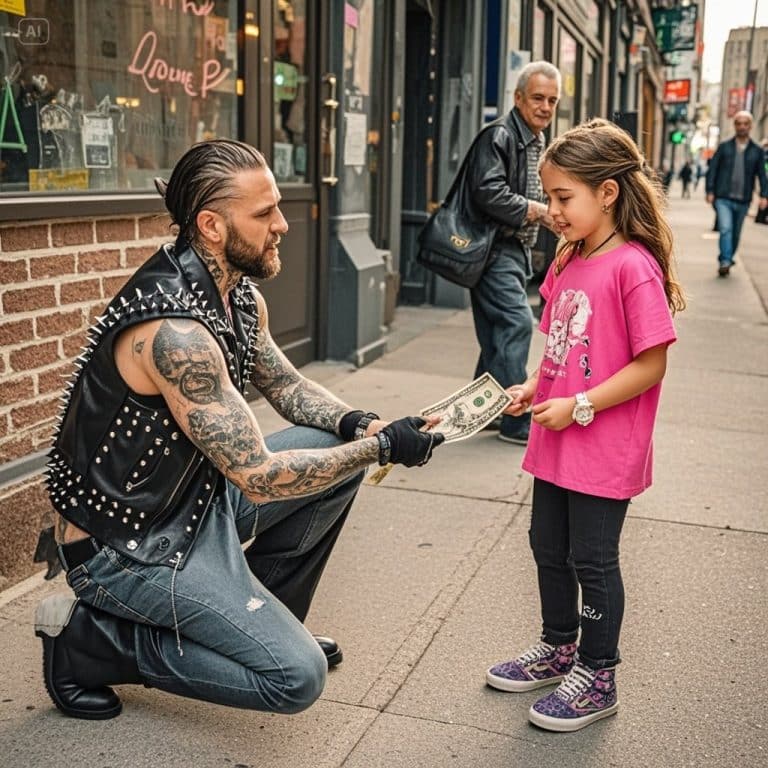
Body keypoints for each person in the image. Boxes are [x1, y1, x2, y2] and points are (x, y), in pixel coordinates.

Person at [34, 139, 445, 720]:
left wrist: (363, 424)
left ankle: (260, 623)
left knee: (336, 451)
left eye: (276, 206)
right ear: (211, 226)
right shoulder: (177, 333)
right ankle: (95, 644)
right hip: (126, 550)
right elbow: (259, 476)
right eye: (263, 214)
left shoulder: (238, 295)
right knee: (296, 679)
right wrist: (380, 448)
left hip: (192, 506)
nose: (282, 224)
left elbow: (286, 385)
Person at [484, 119, 685, 732]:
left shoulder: (634, 266)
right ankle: (559, 645)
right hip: (557, 436)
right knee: (548, 547)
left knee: (592, 560)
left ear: (608, 193)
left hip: (603, 444)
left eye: (563, 197)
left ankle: (599, 675)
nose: (553, 211)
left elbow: (652, 364)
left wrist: (584, 403)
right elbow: (560, 346)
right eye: (548, 196)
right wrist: (530, 388)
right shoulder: (569, 257)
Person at [462, 60, 560, 445]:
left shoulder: (534, 138)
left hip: (513, 247)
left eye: (552, 100)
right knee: (516, 323)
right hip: (494, 247)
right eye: (538, 98)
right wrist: (541, 212)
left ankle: (483, 412)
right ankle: (516, 422)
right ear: (518, 98)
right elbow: (488, 193)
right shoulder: (500, 135)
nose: (545, 107)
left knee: (496, 333)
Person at [705, 110, 768, 276]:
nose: (742, 127)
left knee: (735, 233)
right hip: (723, 197)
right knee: (725, 228)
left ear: (750, 126)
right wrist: (710, 190)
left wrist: (764, 195)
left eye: (745, 124)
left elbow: (762, 174)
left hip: (743, 199)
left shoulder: (757, 150)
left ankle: (727, 257)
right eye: (739, 123)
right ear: (735, 126)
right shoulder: (724, 147)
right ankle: (725, 260)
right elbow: (713, 169)